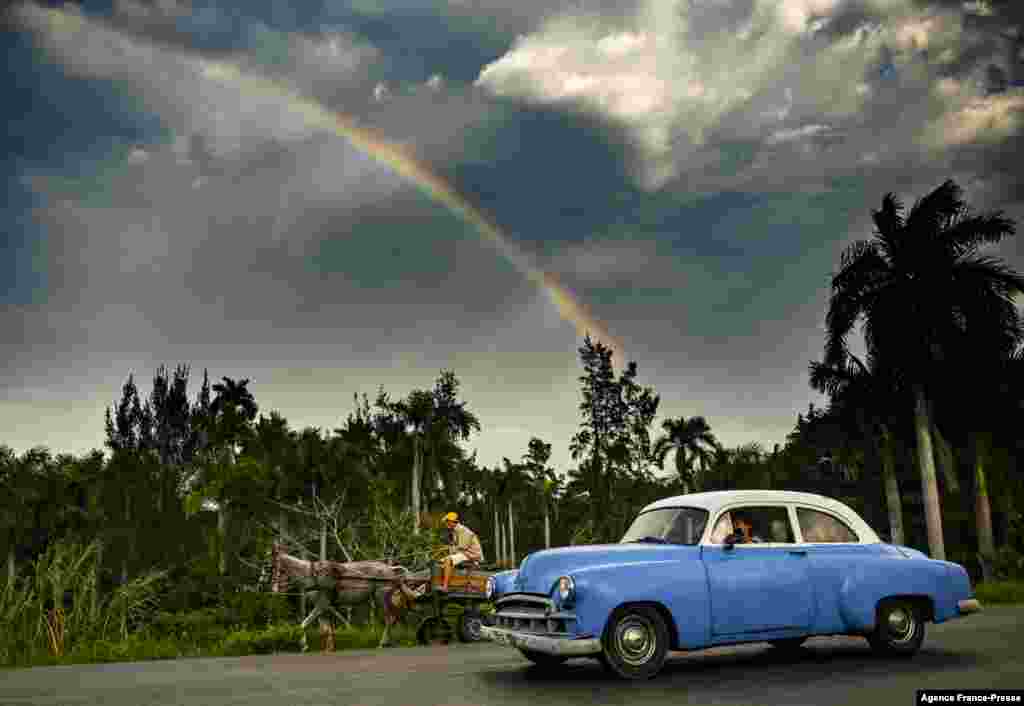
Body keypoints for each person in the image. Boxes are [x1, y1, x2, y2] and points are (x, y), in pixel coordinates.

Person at [440, 512, 484, 592]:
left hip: (472, 555)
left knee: (448, 560)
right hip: (465, 553)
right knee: (442, 561)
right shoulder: (455, 531)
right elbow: (455, 547)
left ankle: (445, 587)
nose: (446, 524)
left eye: (447, 521)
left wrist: (449, 549)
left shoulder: (463, 530)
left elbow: (462, 548)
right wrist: (449, 548)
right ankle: (446, 581)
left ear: (452, 521)